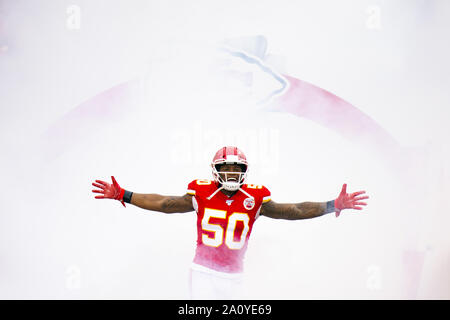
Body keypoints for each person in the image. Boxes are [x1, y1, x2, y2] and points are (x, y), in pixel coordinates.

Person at [91, 146, 369, 299]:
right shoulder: (202, 192)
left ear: (245, 172)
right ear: (216, 170)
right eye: (227, 168)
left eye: (237, 168)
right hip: (203, 273)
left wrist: (333, 204)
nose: (232, 173)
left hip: (235, 276)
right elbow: (165, 203)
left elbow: (293, 210)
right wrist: (123, 194)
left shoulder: (255, 197)